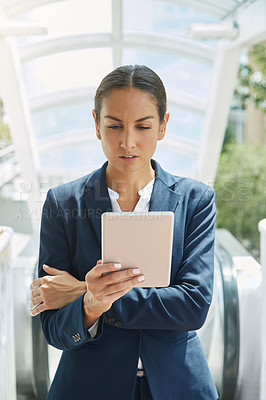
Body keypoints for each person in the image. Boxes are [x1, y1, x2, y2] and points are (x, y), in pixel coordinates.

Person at [30, 65, 218, 400]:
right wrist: (87, 300)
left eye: (143, 126)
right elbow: (54, 328)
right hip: (87, 387)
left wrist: (88, 294)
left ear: (163, 126)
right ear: (96, 124)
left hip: (178, 386)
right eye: (114, 125)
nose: (127, 142)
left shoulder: (195, 201)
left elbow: (193, 306)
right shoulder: (62, 203)